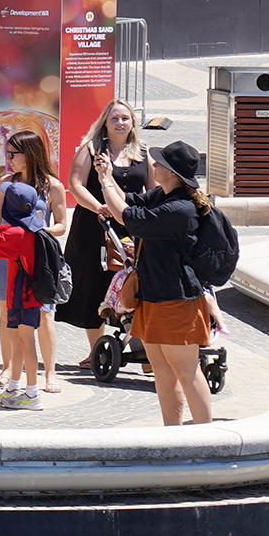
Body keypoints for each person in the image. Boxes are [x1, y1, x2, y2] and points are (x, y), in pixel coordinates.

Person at [91, 137, 217, 427]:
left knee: (187, 371)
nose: (153, 165)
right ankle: (172, 435)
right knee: (161, 369)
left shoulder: (180, 208)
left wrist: (106, 180)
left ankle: (206, 438)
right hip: (151, 296)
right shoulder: (163, 194)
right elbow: (127, 202)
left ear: (171, 172)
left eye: (158, 163)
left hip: (177, 300)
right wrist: (106, 177)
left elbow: (125, 216)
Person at [58, 99, 146, 376]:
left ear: (133, 123)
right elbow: (75, 184)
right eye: (114, 118)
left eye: (125, 118)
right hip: (94, 225)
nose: (120, 123)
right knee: (92, 285)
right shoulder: (91, 149)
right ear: (104, 123)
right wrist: (99, 207)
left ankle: (143, 349)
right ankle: (97, 349)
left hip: (130, 225)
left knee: (134, 283)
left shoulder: (142, 153)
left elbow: (154, 190)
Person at [0, 181, 56, 409]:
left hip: (25, 296)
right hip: (18, 295)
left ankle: (32, 394)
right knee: (16, 341)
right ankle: (13, 388)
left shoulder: (17, 233)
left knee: (26, 342)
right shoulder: (32, 224)